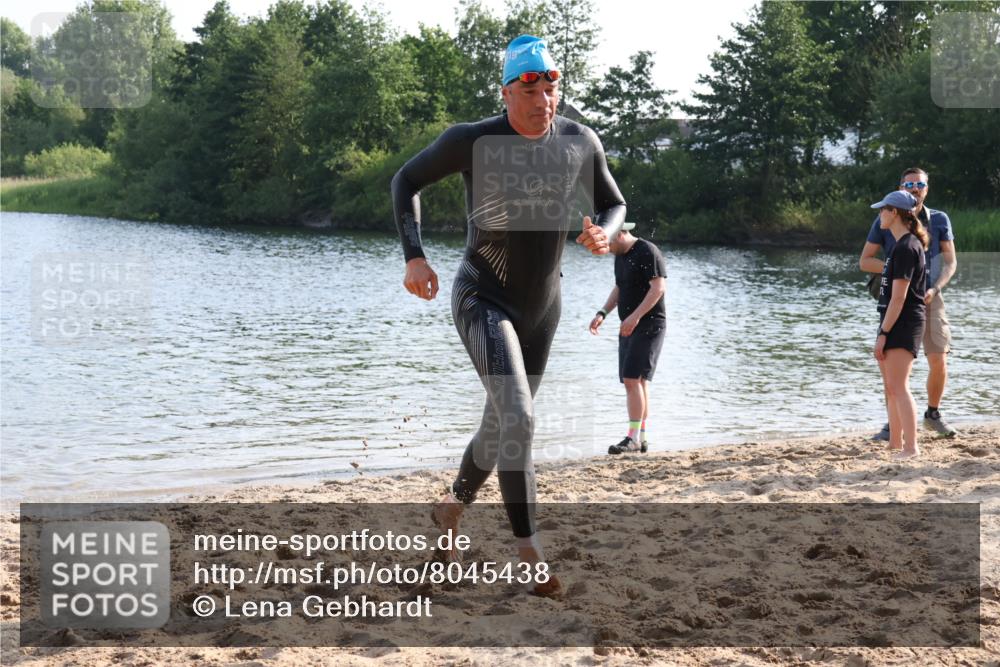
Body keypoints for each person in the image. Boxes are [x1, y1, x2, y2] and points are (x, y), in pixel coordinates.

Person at [391, 35, 626, 595]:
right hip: (481, 297)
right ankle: (528, 551)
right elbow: (406, 182)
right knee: (518, 418)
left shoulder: (578, 140)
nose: (544, 100)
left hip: (543, 308)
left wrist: (604, 232)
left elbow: (613, 202)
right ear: (506, 92)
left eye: (551, 88)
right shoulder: (473, 141)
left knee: (501, 425)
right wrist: (415, 257)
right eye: (531, 90)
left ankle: (451, 508)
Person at [860, 167, 958, 440]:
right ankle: (893, 425)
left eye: (920, 184)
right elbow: (865, 261)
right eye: (909, 183)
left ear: (927, 188)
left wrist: (935, 287)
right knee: (892, 365)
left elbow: (950, 262)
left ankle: (933, 415)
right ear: (902, 187)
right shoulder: (888, 216)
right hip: (898, 296)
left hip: (930, 296)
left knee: (938, 358)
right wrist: (897, 270)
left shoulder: (939, 219)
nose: (915, 188)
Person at [588, 224, 666, 455]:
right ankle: (641, 437)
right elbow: (620, 288)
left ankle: (632, 438)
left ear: (620, 233)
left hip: (649, 324)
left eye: (608, 242)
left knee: (632, 380)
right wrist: (603, 312)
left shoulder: (647, 251)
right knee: (637, 382)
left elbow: (658, 288)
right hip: (629, 326)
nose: (607, 248)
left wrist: (634, 317)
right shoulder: (620, 256)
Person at [870, 190, 929, 460]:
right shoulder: (898, 245)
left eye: (883, 209)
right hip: (894, 321)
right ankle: (895, 443)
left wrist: (883, 334)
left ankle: (911, 447)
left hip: (903, 323)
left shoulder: (906, 247)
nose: (879, 214)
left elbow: (899, 299)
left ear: (894, 213)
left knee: (899, 386)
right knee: (892, 386)